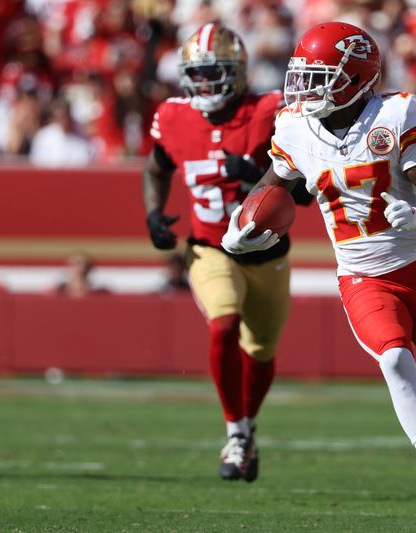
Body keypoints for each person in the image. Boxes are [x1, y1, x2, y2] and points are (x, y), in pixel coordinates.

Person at [221, 22, 416, 526]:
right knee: (393, 359)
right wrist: (239, 227)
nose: (305, 88)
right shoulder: (295, 125)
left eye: (319, 77)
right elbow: (269, 188)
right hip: (362, 277)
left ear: (356, 77)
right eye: (303, 76)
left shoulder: (396, 112)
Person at [142, 23, 311, 483]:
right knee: (224, 323)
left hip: (268, 251)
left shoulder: (269, 110)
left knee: (260, 350)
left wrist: (260, 173)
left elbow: (307, 190)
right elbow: (156, 167)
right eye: (195, 74)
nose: (202, 84)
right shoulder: (174, 115)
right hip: (209, 247)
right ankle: (235, 431)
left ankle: (247, 429)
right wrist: (154, 213)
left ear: (235, 73)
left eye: (212, 73)